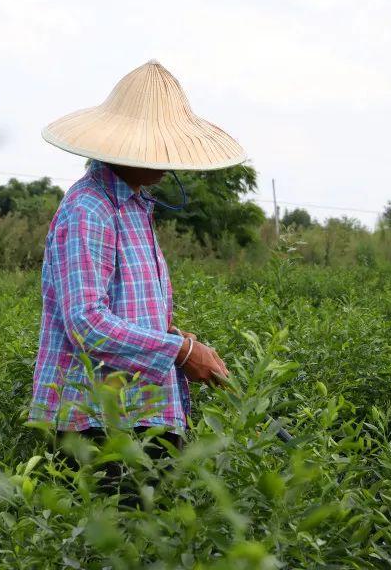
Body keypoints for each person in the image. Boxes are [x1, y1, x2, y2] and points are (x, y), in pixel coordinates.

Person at [28, 59, 247, 494]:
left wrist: (180, 343)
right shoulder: (89, 209)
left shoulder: (133, 207)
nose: (165, 158)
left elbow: (129, 311)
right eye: (155, 145)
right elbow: (87, 324)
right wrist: (181, 352)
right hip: (100, 424)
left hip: (142, 414)